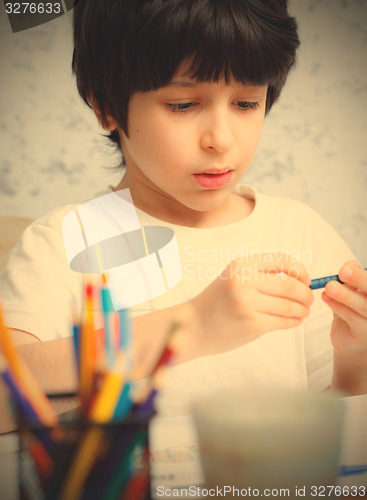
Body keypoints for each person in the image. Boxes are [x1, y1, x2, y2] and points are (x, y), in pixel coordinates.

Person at [1, 0, 367, 426]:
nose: (221, 139)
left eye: (246, 103)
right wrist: (190, 328)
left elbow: (332, 430)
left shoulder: (298, 232)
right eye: (182, 105)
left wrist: (355, 358)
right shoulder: (65, 241)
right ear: (106, 107)